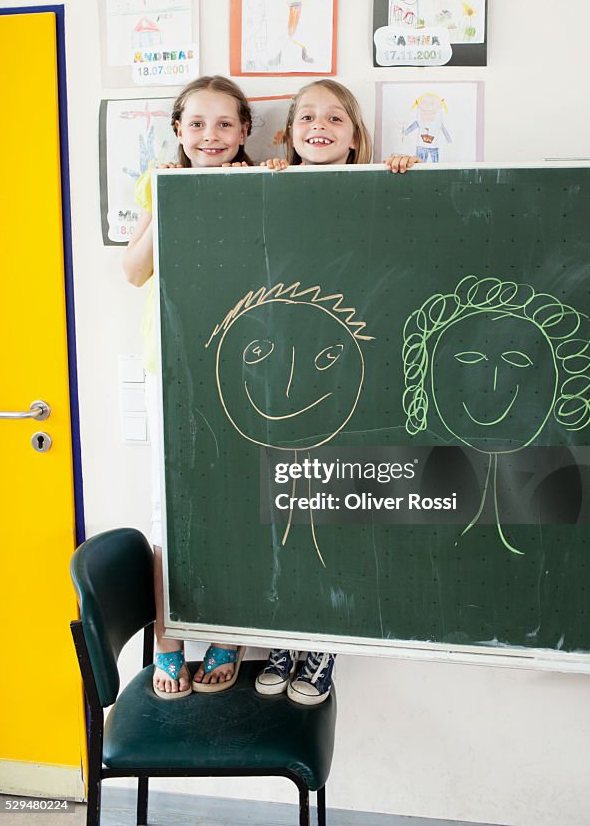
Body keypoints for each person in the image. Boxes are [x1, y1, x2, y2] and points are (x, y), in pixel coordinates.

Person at [255, 79, 418, 705]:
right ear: (289, 134)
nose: (318, 126)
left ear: (356, 137)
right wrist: (264, 180)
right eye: (305, 118)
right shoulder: (271, 186)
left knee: (332, 513)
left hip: (351, 375)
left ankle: (319, 642)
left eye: (335, 118)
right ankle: (279, 635)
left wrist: (401, 173)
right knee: (277, 511)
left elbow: (418, 242)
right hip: (280, 376)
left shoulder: (379, 183)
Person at [122, 75, 252, 699]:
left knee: (235, 504)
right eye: (196, 124)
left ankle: (228, 634)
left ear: (245, 131)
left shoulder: (262, 180)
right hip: (170, 366)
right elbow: (133, 270)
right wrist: (169, 198)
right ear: (177, 131)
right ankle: (169, 644)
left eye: (224, 124)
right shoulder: (160, 183)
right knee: (166, 512)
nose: (210, 136)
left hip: (238, 367)